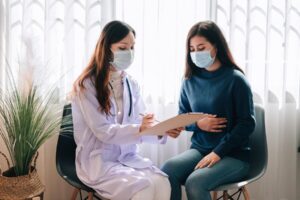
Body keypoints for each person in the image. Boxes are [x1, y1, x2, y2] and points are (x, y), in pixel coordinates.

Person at [71, 20, 182, 200]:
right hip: (99, 162)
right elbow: (103, 131)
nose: (129, 53)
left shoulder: (131, 84)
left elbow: (141, 124)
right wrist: (140, 128)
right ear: (106, 48)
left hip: (127, 157)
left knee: (162, 182)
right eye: (123, 48)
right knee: (142, 188)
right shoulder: (86, 85)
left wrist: (162, 130)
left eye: (132, 48)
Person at [161, 20, 256, 200]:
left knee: (195, 182)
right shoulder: (189, 80)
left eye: (201, 47)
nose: (196, 53)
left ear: (216, 46)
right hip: (200, 150)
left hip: (233, 154)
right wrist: (198, 124)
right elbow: (183, 117)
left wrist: (218, 152)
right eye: (192, 49)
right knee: (167, 172)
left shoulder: (236, 80)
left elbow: (247, 124)